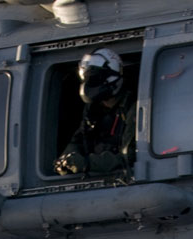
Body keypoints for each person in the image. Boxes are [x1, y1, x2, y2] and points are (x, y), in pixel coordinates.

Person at [54, 48, 136, 179]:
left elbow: (129, 157)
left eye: (94, 77)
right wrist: (67, 160)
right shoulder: (93, 110)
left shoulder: (132, 108)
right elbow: (78, 140)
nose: (90, 83)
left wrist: (87, 163)